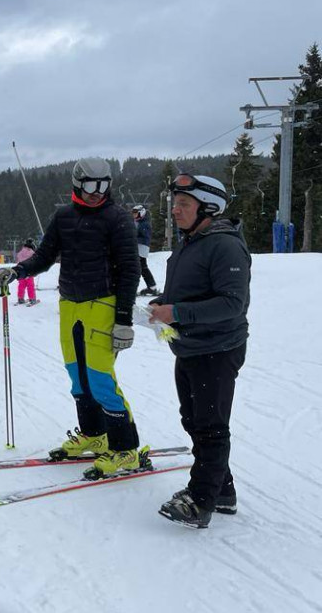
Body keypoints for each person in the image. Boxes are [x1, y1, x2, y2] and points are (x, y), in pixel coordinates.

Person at [0, 157, 141, 479]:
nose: (96, 193)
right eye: (90, 185)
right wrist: (17, 271)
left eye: (103, 185)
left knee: (101, 379)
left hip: (103, 304)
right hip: (70, 305)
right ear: (77, 183)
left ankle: (125, 449)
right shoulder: (63, 216)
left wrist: (124, 319)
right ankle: (94, 433)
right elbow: (45, 256)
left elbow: (131, 269)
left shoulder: (117, 218)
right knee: (78, 377)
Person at [148, 175, 250, 529]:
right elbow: (190, 291)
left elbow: (232, 303)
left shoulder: (225, 246)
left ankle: (201, 500)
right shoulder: (191, 242)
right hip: (190, 346)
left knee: (210, 427)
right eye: (174, 203)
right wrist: (164, 304)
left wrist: (175, 313)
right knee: (193, 420)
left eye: (184, 205)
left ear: (209, 208)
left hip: (218, 348)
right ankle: (222, 490)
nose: (175, 210)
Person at [133, 205, 160, 297]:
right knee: (142, 268)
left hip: (141, 248)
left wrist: (133, 239)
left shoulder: (144, 224)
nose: (134, 215)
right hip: (137, 248)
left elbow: (145, 237)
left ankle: (133, 288)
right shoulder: (136, 222)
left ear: (142, 213)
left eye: (136, 213)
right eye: (133, 214)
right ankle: (152, 287)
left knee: (138, 268)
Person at [14, 238, 38, 306]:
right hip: (29, 272)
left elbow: (18, 258)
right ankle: (32, 298)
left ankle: (20, 298)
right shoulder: (32, 253)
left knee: (21, 285)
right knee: (30, 285)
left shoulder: (21, 252)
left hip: (21, 272)